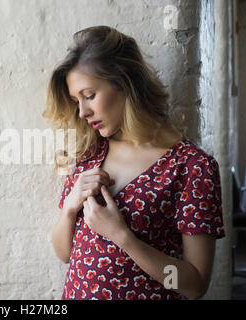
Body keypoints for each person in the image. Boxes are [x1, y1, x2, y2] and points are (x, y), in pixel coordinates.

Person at [42, 26, 225, 300]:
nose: (82, 112)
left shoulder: (192, 167)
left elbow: (194, 284)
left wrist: (122, 237)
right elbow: (65, 253)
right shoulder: (90, 153)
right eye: (76, 100)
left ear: (125, 82)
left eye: (89, 95)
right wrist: (70, 207)